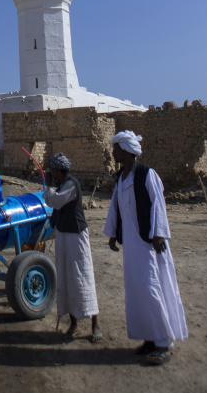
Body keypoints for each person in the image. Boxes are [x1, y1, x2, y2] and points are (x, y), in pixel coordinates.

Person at [104, 130, 188, 365]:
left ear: (126, 150)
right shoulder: (121, 178)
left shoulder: (147, 174)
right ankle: (149, 339)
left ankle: (163, 344)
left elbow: (158, 204)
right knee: (137, 291)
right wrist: (112, 234)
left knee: (152, 289)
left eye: (116, 148)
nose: (113, 152)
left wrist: (159, 232)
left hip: (148, 244)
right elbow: (115, 208)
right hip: (131, 245)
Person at [44, 153, 101, 342]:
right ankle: (74, 323)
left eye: (52, 170)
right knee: (67, 277)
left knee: (83, 276)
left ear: (59, 170)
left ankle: (95, 324)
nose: (50, 173)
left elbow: (54, 201)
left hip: (76, 237)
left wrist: (48, 184)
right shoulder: (62, 185)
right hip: (63, 235)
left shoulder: (70, 185)